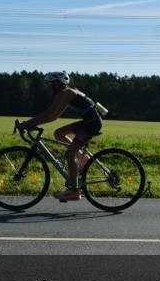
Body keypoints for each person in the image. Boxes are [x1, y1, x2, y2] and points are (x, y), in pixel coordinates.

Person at [17, 71, 103, 202]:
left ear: (57, 84)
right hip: (89, 121)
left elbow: (48, 113)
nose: (47, 88)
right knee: (58, 133)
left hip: (90, 124)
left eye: (49, 85)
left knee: (69, 153)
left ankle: (74, 191)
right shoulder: (67, 92)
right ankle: (84, 160)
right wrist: (31, 123)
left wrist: (27, 124)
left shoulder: (64, 93)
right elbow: (54, 116)